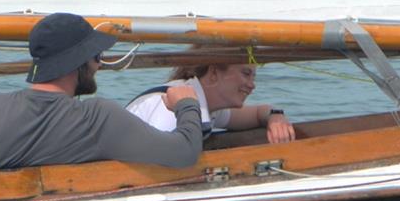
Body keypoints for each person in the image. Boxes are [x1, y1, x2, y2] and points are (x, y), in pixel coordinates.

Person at [0, 13, 204, 172]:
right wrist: (187, 105)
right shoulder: (99, 118)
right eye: (96, 55)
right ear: (77, 61)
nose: (99, 64)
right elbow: (184, 153)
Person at [126, 58, 296, 144]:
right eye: (245, 74)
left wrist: (276, 116)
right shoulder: (171, 108)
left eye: (253, 76)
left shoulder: (208, 106)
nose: (252, 85)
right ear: (214, 73)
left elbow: (259, 113)